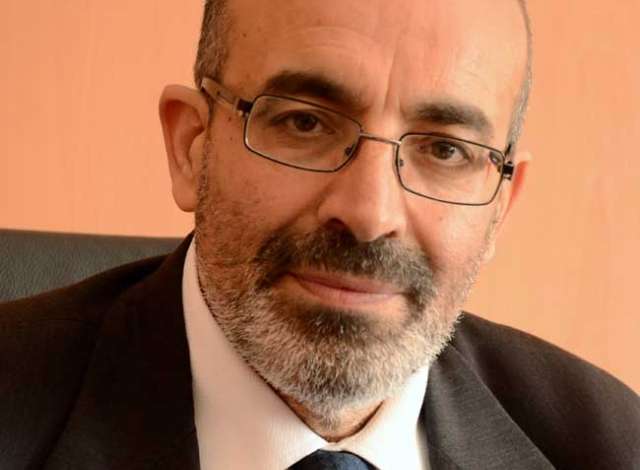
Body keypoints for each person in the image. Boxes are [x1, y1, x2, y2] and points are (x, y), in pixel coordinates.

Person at [1, 0, 638, 468]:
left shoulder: (609, 443)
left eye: (445, 149)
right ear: (191, 148)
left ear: (500, 206)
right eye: (305, 123)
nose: (369, 214)